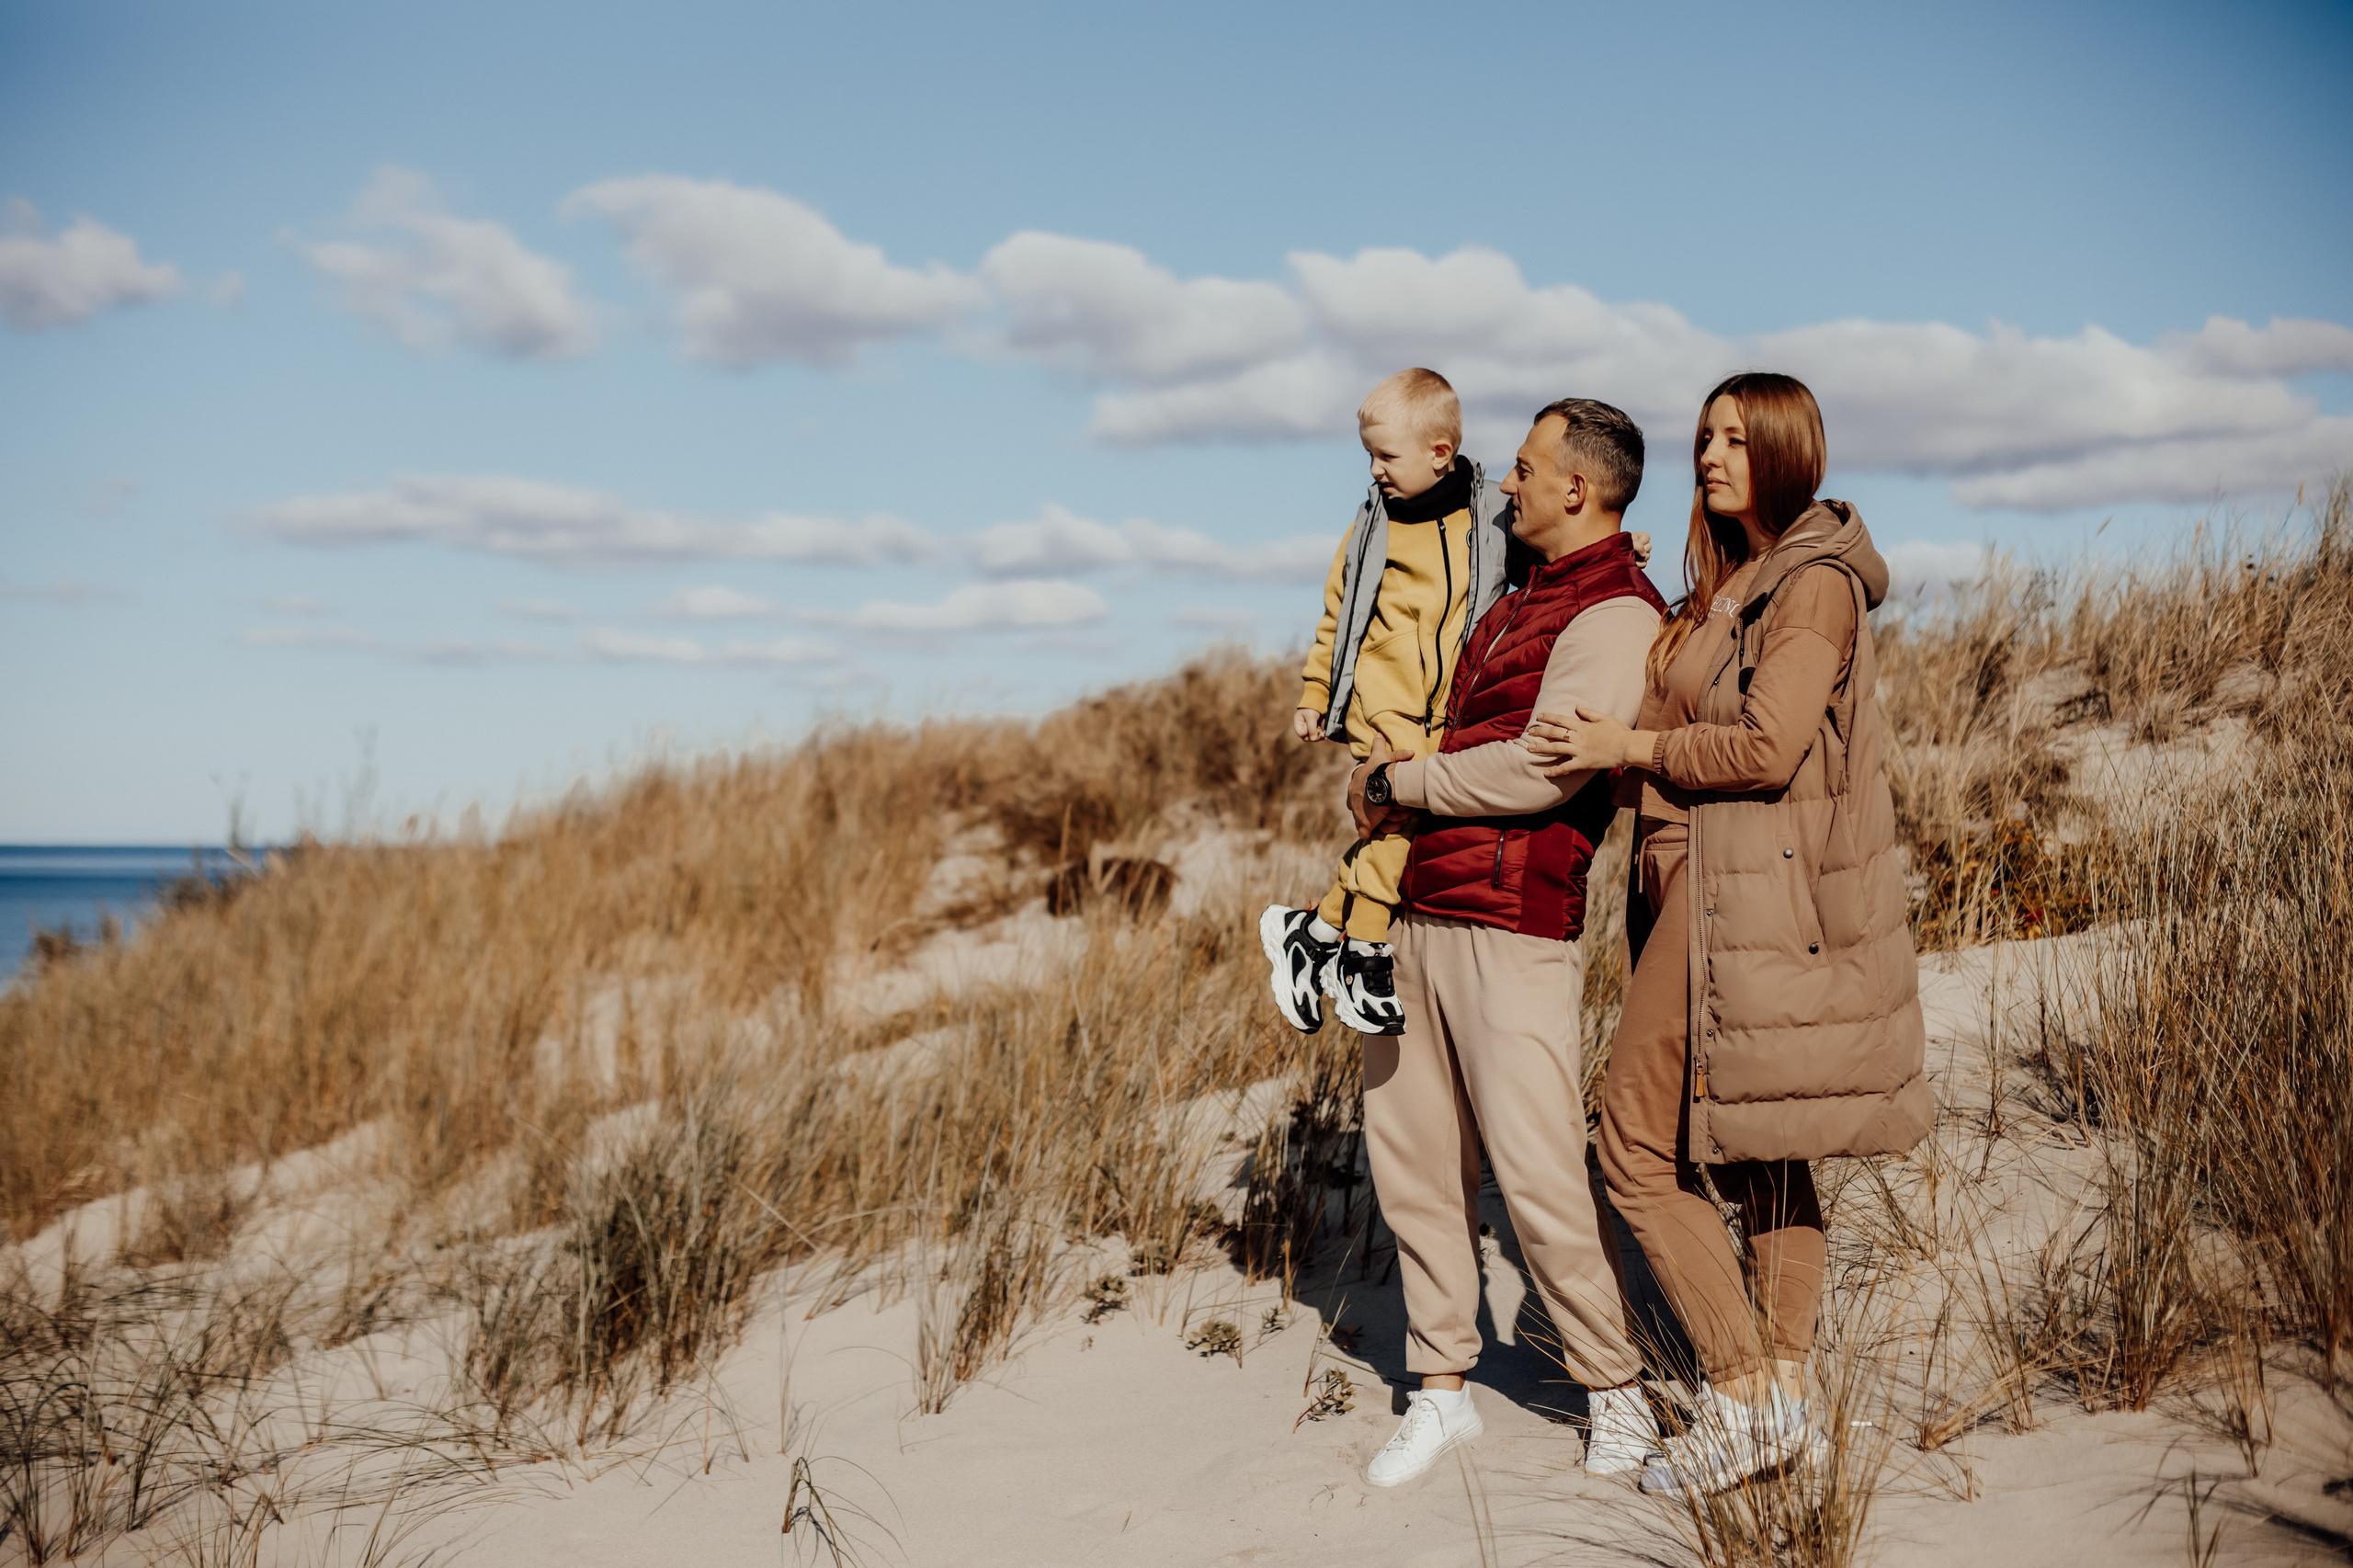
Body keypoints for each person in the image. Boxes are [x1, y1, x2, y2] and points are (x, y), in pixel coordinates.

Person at [1524, 371, 1932, 1498]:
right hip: (1687, 893)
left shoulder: (1813, 588)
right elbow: (1665, 712)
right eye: (1704, 436)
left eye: (1737, 441)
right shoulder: (1726, 582)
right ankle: (1785, 1397)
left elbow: (1765, 744)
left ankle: (1744, 1389)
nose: (1710, 455)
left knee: (1632, 1147)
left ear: (1790, 452)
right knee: (1761, 1147)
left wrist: (1630, 747)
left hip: (1745, 898)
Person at [1344, 399, 1669, 1487]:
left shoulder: (1618, 611)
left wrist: (1405, 782)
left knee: (1536, 1172)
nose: (1506, 484)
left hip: (1513, 924)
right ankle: (1440, 1391)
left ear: (1578, 488)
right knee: (1416, 1161)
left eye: (1524, 470)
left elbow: (1544, 770)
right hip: (1421, 912)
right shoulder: (1516, 598)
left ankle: (1614, 1389)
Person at [1258, 368, 1514, 1036]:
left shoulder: (1488, 514)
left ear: (1440, 452)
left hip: (1445, 707)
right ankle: (1365, 955)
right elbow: (1336, 615)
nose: (1374, 470)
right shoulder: (1372, 527)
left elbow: (1542, 560)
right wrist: (1316, 694)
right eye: (1369, 455)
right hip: (1385, 703)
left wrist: (1619, 547)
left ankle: (1312, 933)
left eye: (1386, 456)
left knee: (1399, 825)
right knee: (1397, 821)